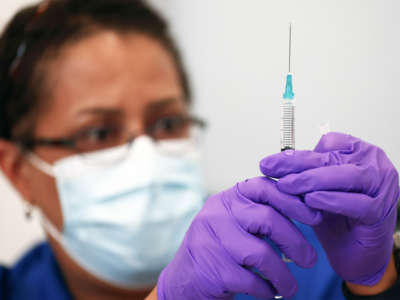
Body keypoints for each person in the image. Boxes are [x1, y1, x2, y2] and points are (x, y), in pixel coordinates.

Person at [0, 1, 399, 299]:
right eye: (99, 132)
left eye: (168, 123)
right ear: (17, 170)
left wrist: (377, 285)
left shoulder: (301, 262)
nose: (146, 156)